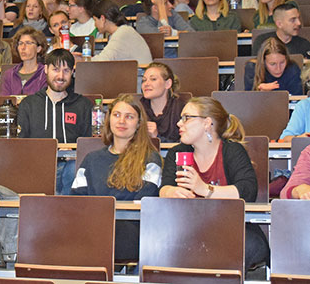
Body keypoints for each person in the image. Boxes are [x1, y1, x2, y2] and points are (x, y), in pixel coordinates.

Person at [160, 97, 270, 269]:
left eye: (186, 118)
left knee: (248, 245)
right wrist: (170, 192)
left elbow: (247, 191)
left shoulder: (232, 150)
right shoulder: (178, 152)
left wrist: (204, 189)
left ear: (207, 123)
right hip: (189, 228)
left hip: (231, 227)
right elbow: (164, 187)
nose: (179, 124)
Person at [71, 94, 162, 262]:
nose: (121, 121)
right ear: (108, 119)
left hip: (131, 231)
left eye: (129, 117)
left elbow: (143, 202)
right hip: (93, 227)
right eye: (117, 115)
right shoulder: (91, 159)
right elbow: (78, 199)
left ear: (138, 124)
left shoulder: (150, 159)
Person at [18, 49, 93, 194]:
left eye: (66, 70)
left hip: (71, 167)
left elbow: (89, 144)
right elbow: (21, 145)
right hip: (38, 167)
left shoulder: (83, 105)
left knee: (74, 168)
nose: (60, 76)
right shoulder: (29, 104)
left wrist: (72, 154)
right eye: (55, 69)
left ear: (72, 72)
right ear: (45, 69)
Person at [91, 0, 152, 64]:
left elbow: (103, 60)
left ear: (102, 19)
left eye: (95, 20)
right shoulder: (121, 31)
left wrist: (82, 59)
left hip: (140, 72)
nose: (95, 24)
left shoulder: (122, 33)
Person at [140, 62, 186, 142]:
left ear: (168, 84)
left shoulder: (181, 109)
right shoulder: (137, 109)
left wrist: (157, 137)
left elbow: (185, 145)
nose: (146, 84)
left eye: (153, 79)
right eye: (144, 80)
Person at [0, 27, 47, 96]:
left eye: (28, 43)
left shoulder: (45, 73)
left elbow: (43, 101)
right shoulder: (9, 74)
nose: (23, 47)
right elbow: (3, 100)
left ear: (38, 48)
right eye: (20, 43)